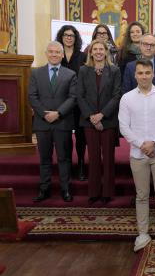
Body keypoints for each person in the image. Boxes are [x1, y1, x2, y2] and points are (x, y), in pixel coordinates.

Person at [119, 59, 155, 251]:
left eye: (147, 72)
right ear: (135, 75)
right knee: (141, 195)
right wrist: (141, 144)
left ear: (153, 74)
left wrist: (154, 143)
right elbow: (124, 126)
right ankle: (143, 233)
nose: (143, 76)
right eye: (140, 73)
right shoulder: (126, 98)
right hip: (138, 153)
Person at [28, 41, 77, 202]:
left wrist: (59, 113)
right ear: (46, 54)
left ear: (62, 55)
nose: (54, 54)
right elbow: (32, 97)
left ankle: (65, 189)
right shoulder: (36, 73)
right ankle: (44, 189)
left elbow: (73, 97)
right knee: (45, 158)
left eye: (57, 52)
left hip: (62, 122)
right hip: (42, 123)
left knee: (64, 158)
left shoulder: (70, 74)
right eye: (51, 52)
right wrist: (44, 114)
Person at [77, 40, 121, 205]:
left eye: (101, 49)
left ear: (106, 52)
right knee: (93, 157)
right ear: (90, 52)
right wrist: (92, 117)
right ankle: (94, 191)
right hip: (89, 121)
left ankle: (108, 192)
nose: (98, 52)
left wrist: (102, 115)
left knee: (108, 157)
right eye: (95, 49)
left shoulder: (114, 70)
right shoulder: (83, 70)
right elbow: (79, 95)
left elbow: (117, 95)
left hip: (108, 120)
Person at [55, 25, 87, 181]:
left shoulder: (82, 57)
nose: (68, 38)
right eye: (66, 35)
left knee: (81, 137)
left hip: (79, 103)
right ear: (61, 37)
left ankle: (81, 164)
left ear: (76, 38)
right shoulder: (56, 56)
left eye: (72, 35)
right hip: (61, 102)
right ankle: (67, 167)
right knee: (64, 136)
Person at [122, 33, 155, 99]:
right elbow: (126, 91)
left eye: (152, 45)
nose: (148, 47)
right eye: (145, 44)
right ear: (140, 45)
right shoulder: (130, 67)